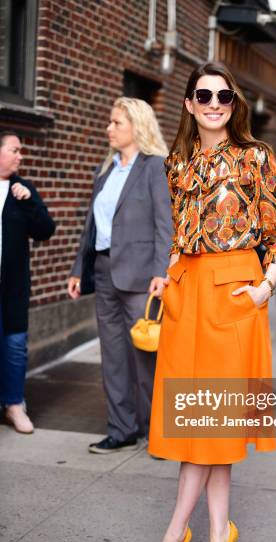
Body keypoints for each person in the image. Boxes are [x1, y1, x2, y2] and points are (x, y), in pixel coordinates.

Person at [142, 62, 276, 542]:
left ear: (235, 103)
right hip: (187, 295)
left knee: (212, 422)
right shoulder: (176, 163)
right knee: (203, 423)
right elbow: (176, 233)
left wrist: (264, 287)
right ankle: (217, 534)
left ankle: (175, 535)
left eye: (224, 96)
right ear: (187, 103)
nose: (213, 103)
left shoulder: (256, 157)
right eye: (203, 95)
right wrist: (165, 274)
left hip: (235, 294)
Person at [68, 98, 172, 453]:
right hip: (104, 270)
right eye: (110, 122)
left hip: (142, 277)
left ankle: (157, 431)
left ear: (137, 127)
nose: (108, 129)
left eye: (116, 123)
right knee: (113, 357)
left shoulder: (155, 167)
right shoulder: (107, 169)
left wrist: (162, 272)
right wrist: (79, 269)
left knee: (147, 357)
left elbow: (165, 226)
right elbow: (92, 226)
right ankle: (122, 428)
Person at [0, 131, 56, 433]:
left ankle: (13, 405)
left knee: (14, 346)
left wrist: (30, 202)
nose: (20, 155)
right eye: (14, 150)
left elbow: (46, 230)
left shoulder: (22, 190)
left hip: (12, 287)